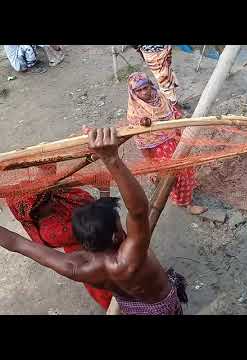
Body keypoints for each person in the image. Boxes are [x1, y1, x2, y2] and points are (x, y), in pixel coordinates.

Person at [0, 128, 188, 315]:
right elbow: (138, 211)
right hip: (161, 307)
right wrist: (111, 159)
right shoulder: (130, 256)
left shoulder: (76, 267)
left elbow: (18, 244)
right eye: (118, 221)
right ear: (115, 236)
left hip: (130, 307)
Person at [5, 164, 113, 310]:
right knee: (115, 293)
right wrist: (104, 190)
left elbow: (49, 168)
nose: (52, 197)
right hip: (97, 250)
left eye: (49, 193)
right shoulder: (52, 231)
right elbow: (102, 226)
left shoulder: (49, 196)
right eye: (47, 200)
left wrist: (30, 158)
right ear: (34, 213)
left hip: (103, 238)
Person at [126, 72, 207, 215]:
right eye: (139, 90)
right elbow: (141, 141)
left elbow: (173, 112)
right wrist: (150, 164)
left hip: (174, 139)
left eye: (146, 87)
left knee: (185, 167)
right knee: (176, 173)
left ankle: (183, 192)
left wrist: (179, 120)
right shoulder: (135, 113)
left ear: (151, 85)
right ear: (133, 93)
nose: (144, 92)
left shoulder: (161, 97)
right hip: (158, 149)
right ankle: (186, 203)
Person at [133, 45, 182, 118]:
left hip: (158, 51)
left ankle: (173, 106)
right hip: (154, 53)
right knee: (165, 83)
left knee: (166, 79)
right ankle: (175, 110)